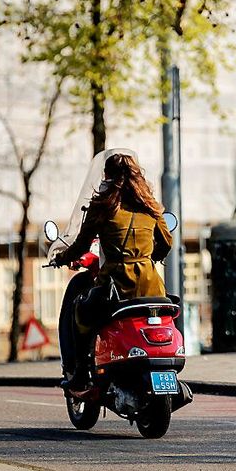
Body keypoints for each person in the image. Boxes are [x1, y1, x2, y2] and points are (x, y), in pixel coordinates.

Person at [53, 152, 173, 390]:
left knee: (80, 313)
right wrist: (149, 260)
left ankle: (79, 373)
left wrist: (61, 257)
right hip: (152, 286)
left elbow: (80, 245)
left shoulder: (103, 207)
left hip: (115, 285)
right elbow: (167, 242)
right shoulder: (151, 207)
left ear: (107, 176)